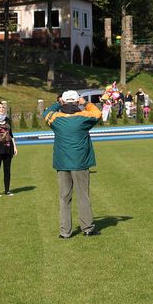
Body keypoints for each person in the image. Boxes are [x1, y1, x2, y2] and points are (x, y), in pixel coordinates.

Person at [43, 90, 102, 239]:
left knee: (64, 198)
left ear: (63, 101)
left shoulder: (56, 118)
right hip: (80, 162)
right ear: (77, 101)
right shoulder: (83, 117)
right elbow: (97, 113)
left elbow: (46, 112)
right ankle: (87, 228)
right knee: (83, 196)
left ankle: (65, 232)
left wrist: (58, 103)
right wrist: (86, 103)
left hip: (62, 162)